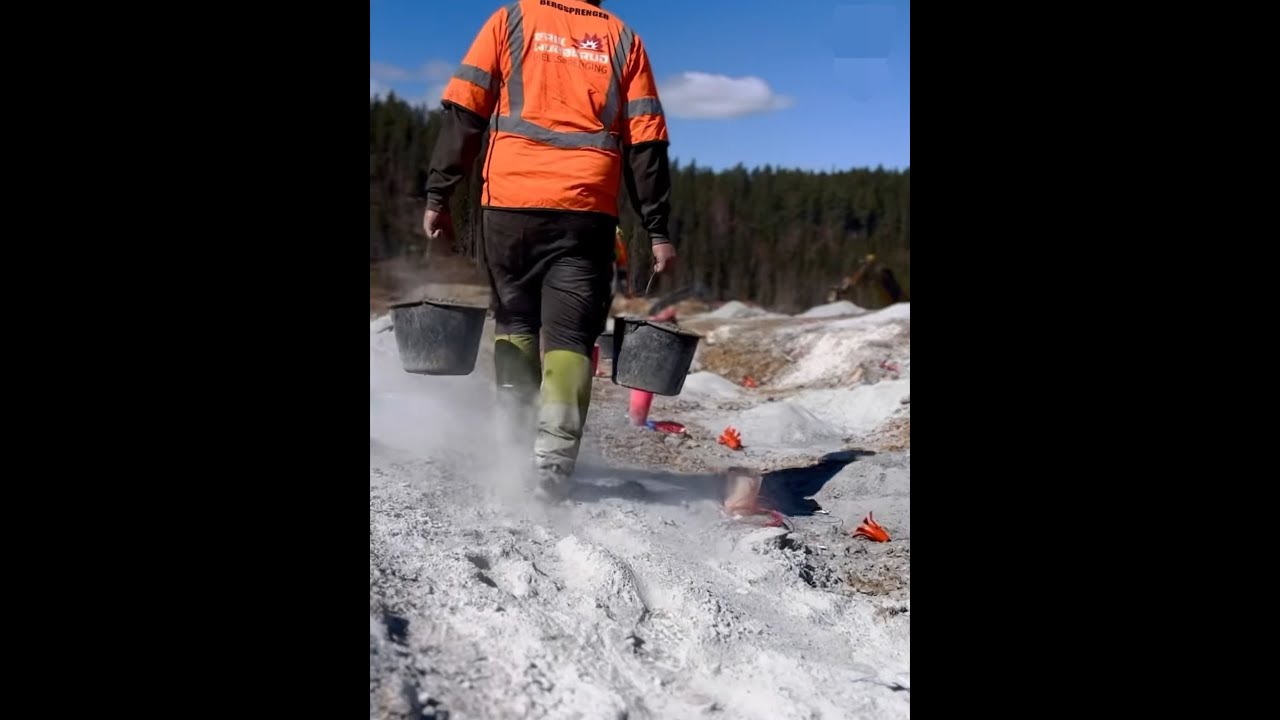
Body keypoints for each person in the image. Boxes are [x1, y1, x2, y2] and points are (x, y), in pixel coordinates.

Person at [423, 0, 675, 502]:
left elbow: (466, 111)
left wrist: (439, 193)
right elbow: (645, 142)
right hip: (586, 210)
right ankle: (552, 471)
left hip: (510, 205)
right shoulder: (623, 38)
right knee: (570, 337)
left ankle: (513, 451)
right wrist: (658, 230)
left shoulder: (509, 20)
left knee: (515, 322)